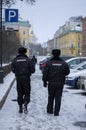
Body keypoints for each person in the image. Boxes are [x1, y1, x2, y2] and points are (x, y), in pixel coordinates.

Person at [42, 49, 70, 116]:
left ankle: (49, 110)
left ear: (52, 54)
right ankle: (56, 112)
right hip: (60, 83)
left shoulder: (49, 63)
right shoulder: (64, 63)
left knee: (50, 97)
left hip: (51, 83)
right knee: (58, 97)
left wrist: (44, 81)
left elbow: (45, 73)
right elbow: (67, 72)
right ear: (59, 54)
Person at [11, 47, 35, 113]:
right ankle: (26, 103)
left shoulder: (15, 60)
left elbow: (12, 69)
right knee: (27, 92)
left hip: (18, 79)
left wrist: (17, 72)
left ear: (18, 52)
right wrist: (28, 72)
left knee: (20, 93)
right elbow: (33, 70)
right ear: (25, 52)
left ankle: (20, 108)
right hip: (26, 78)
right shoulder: (28, 60)